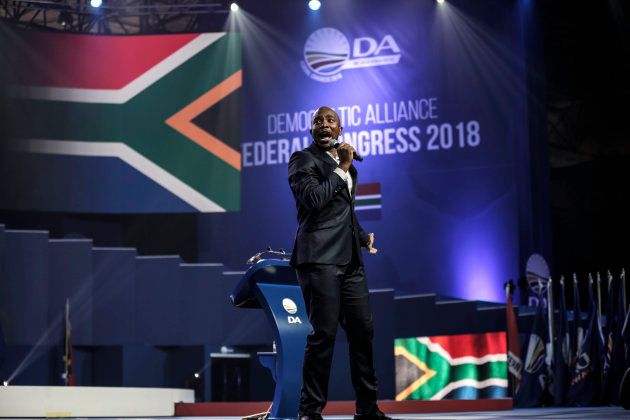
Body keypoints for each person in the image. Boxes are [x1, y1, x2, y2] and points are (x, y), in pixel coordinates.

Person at [288, 106, 391, 420]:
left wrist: (361, 236)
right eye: (318, 121)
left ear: (340, 129)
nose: (323, 124)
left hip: (350, 261)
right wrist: (342, 166)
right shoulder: (302, 160)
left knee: (363, 332)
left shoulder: (349, 170)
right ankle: (310, 410)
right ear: (311, 130)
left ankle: (368, 410)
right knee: (323, 335)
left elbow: (343, 212)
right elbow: (315, 201)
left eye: (330, 120)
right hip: (319, 259)